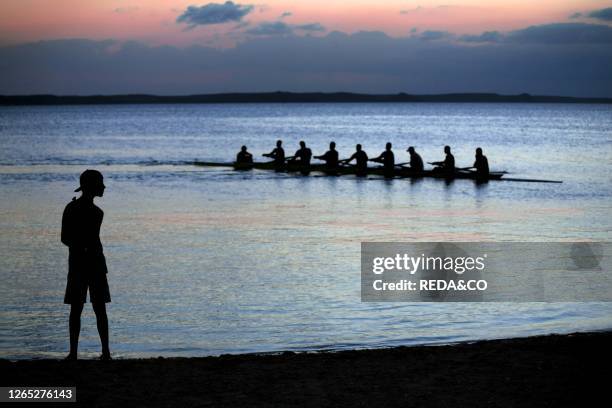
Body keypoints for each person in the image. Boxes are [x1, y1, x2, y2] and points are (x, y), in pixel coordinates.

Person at [62, 169, 111, 361]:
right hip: (88, 264)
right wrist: (83, 248)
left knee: (85, 308)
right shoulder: (89, 211)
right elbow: (66, 238)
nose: (104, 187)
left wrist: (80, 248)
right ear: (92, 187)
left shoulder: (91, 211)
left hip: (86, 263)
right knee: (89, 309)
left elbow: (66, 238)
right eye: (100, 183)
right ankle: (99, 352)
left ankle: (81, 353)